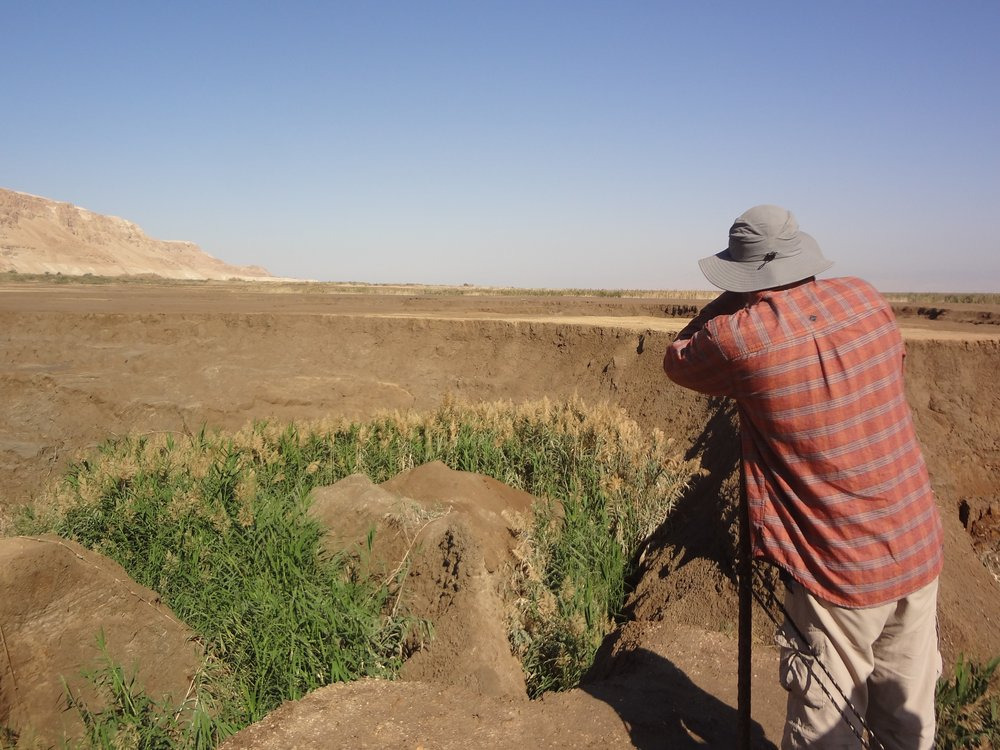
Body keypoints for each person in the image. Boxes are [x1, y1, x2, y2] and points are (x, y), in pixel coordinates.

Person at [662, 205, 944, 749]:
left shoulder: (740, 337)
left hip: (837, 572)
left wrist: (736, 294)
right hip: (915, 546)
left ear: (744, 275)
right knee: (907, 724)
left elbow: (677, 360)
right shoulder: (865, 297)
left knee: (824, 730)